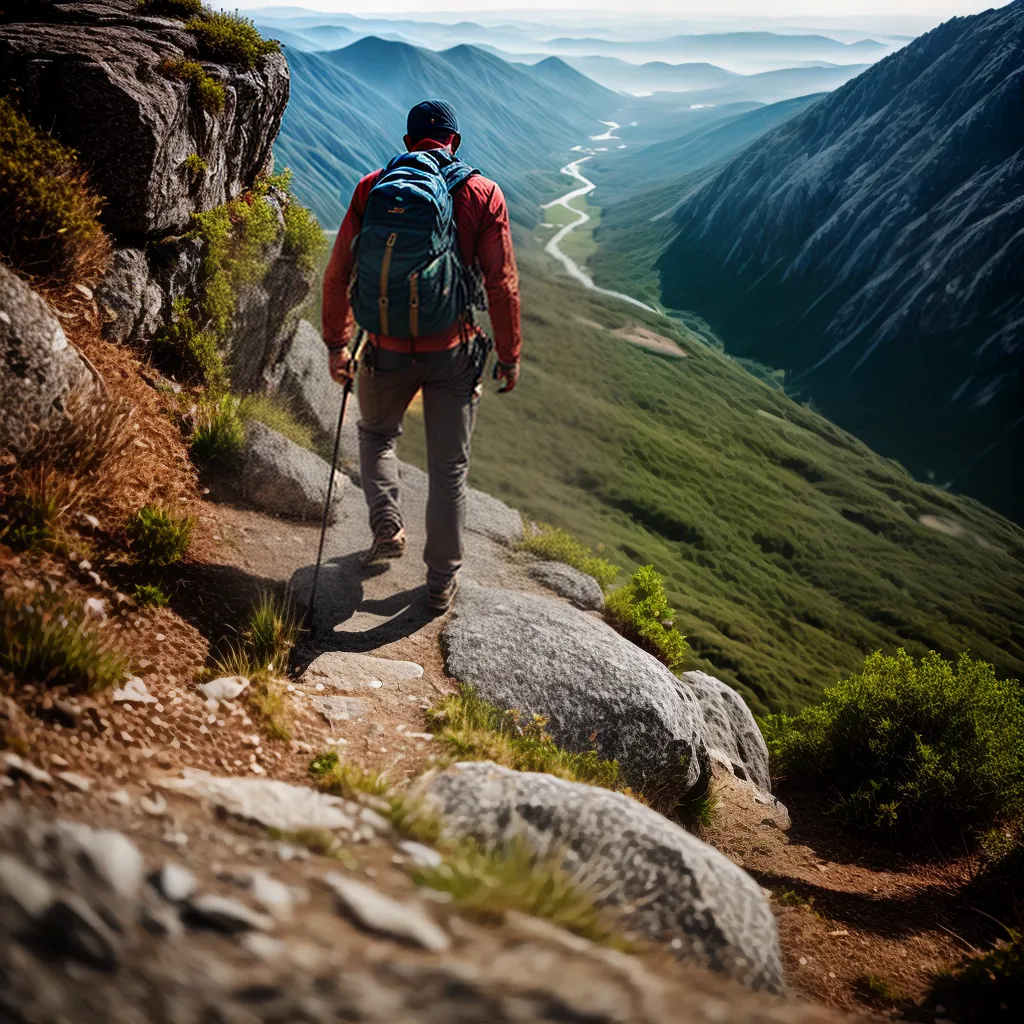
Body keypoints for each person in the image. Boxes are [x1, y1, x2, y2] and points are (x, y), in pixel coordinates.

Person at [322, 99, 521, 614]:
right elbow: (501, 284)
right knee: (448, 470)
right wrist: (509, 353)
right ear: (454, 141)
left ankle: (387, 523)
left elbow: (339, 272)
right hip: (451, 350)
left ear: (409, 141)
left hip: (384, 346)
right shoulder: (483, 193)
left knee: (375, 435)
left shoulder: (373, 187)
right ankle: (439, 584)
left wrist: (337, 343)